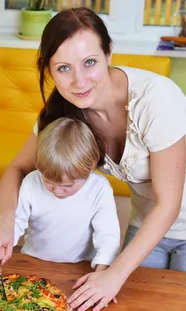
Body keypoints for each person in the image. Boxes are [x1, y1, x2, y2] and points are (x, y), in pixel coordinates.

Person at [0, 7, 186, 311]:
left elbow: (169, 203)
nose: (79, 81)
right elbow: (17, 168)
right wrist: (3, 223)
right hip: (148, 221)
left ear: (109, 54)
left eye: (89, 63)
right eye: (63, 68)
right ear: (49, 70)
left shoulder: (155, 99)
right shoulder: (62, 113)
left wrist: (115, 273)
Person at [13, 116, 121, 271]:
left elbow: (108, 237)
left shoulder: (99, 189)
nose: (57, 191)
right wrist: (1, 244)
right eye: (48, 182)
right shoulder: (31, 182)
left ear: (90, 167)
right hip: (33, 261)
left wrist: (101, 271)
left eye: (67, 185)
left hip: (79, 266)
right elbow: (15, 222)